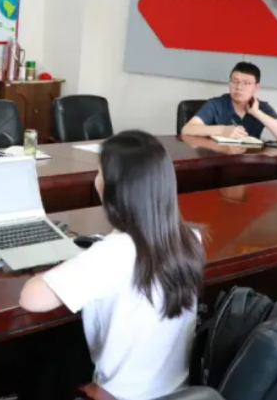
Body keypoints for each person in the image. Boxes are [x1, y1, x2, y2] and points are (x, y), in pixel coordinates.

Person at [19, 130, 205, 400]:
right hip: (176, 391)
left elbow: (30, 299)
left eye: (99, 172)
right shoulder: (191, 238)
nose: (96, 180)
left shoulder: (114, 253)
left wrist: (62, 265)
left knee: (39, 359)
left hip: (120, 395)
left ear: (114, 188)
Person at [181, 62, 277, 142]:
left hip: (249, 161)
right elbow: (187, 129)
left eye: (246, 83)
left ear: (256, 87)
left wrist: (256, 113)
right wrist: (223, 130)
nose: (239, 87)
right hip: (217, 159)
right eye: (235, 81)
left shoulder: (262, 107)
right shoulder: (216, 104)